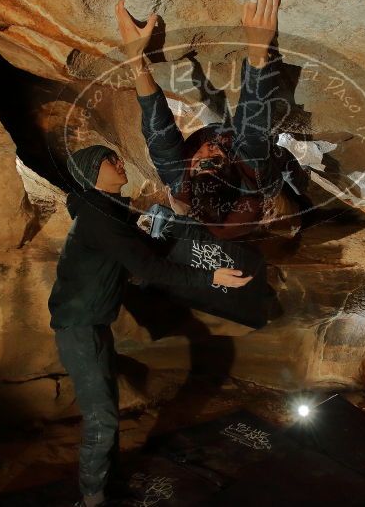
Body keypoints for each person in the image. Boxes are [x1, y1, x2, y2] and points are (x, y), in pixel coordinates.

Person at [48, 144, 252, 507]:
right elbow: (148, 268)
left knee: (105, 410)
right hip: (80, 326)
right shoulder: (99, 216)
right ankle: (92, 500)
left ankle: (102, 489)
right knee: (103, 417)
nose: (119, 162)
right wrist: (213, 276)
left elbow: (145, 254)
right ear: (93, 172)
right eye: (110, 160)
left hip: (90, 324)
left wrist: (167, 225)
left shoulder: (106, 211)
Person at [115, 0, 291, 240]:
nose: (208, 150)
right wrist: (258, 48)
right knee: (284, 203)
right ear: (230, 167)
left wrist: (135, 58)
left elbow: (159, 130)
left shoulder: (179, 180)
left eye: (201, 163)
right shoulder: (248, 167)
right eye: (216, 159)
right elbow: (252, 123)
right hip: (262, 182)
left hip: (204, 205)